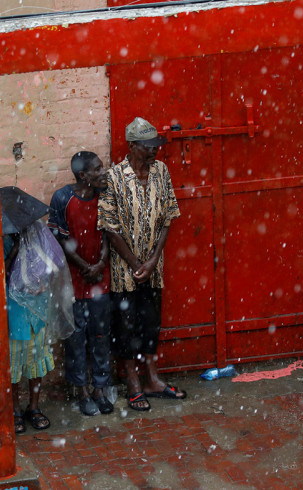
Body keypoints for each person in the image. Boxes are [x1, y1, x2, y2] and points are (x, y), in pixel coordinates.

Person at [97, 116, 186, 412]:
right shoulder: (114, 177)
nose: (155, 151)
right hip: (126, 271)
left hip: (153, 267)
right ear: (132, 145)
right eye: (148, 147)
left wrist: (153, 260)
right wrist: (137, 263)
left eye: (156, 146)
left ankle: (152, 379)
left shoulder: (161, 171)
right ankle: (133, 383)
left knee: (151, 323)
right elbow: (109, 227)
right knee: (126, 326)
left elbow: (167, 217)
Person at [48, 151, 114, 416]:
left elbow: (109, 231)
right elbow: (60, 240)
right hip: (73, 282)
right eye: (98, 169)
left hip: (100, 279)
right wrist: (85, 267)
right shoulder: (62, 199)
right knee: (76, 338)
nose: (103, 172)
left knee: (100, 335)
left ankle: (100, 388)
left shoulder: (105, 195)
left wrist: (100, 263)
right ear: (84, 176)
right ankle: (82, 390)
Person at [4, 221, 74, 432]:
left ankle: (33, 407)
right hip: (13, 311)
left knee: (36, 360)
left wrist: (42, 282)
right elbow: (0, 272)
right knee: (14, 363)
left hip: (37, 310)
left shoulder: (37, 240)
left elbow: (54, 265)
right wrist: (15, 250)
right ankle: (15, 409)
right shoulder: (4, 242)